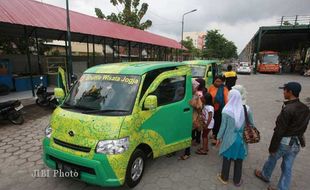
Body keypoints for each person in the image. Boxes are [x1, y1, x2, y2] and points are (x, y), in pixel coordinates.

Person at [254, 82, 310, 190]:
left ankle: (265, 175)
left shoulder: (288, 109)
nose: (283, 92)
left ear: (290, 92)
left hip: (285, 141)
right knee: (287, 166)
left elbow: (280, 130)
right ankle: (282, 188)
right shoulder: (305, 108)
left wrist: (272, 147)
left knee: (272, 158)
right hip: (296, 142)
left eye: (285, 90)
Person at [216, 89, 255, 187]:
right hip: (241, 140)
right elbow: (252, 124)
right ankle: (237, 181)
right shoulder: (247, 109)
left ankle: (224, 178)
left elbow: (223, 127)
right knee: (239, 160)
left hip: (229, 139)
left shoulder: (226, 110)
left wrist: (218, 138)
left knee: (227, 159)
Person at [179, 79, 201, 160]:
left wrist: (195, 105)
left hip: (191, 118)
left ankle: (187, 153)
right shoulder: (183, 93)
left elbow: (199, 107)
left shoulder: (195, 96)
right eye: (195, 87)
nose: (196, 89)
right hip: (183, 116)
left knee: (188, 135)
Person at [208, 76, 229, 144]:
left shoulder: (224, 89)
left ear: (222, 82)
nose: (218, 83)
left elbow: (226, 99)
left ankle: (216, 137)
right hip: (212, 108)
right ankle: (214, 133)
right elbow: (208, 96)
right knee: (213, 121)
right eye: (216, 81)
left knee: (218, 123)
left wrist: (226, 109)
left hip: (220, 109)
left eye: (219, 81)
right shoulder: (211, 87)